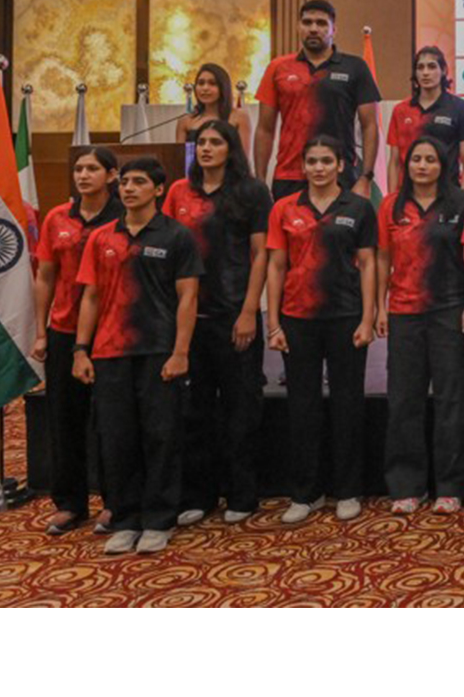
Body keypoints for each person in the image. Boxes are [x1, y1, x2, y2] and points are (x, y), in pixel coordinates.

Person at [70, 156, 202, 555]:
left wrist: (181, 352)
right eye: (125, 182)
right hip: (110, 352)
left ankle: (159, 519)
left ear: (159, 189)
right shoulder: (102, 238)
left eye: (139, 182)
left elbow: (188, 297)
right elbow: (90, 296)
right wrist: (80, 349)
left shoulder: (177, 236)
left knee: (161, 436)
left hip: (159, 351)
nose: (128, 188)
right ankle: (125, 518)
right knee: (116, 439)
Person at [162, 120, 272, 527]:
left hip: (234, 315)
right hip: (190, 320)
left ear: (231, 149)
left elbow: (261, 255)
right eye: (200, 142)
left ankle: (243, 494)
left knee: (242, 410)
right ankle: (199, 495)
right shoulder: (179, 192)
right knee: (195, 412)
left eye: (215, 142)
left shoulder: (252, 192)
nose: (206, 149)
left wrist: (249, 311)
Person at [265, 135, 378, 525]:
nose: (318, 167)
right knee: (303, 408)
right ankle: (305, 493)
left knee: (348, 406)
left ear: (340, 165)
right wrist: (273, 321)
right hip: (297, 319)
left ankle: (348, 490)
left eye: (326, 161)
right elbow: (276, 265)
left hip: (346, 317)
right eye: (311, 161)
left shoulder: (360, 208)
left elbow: (368, 264)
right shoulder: (283, 208)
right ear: (303, 166)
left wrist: (368, 317)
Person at [377, 136, 464, 515]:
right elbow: (383, 259)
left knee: (452, 400)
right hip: (404, 312)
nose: (422, 166)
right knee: (404, 401)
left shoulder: (461, 204)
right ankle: (407, 485)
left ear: (443, 165)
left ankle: (451, 486)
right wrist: (379, 309)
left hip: (450, 311)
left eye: (430, 160)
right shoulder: (391, 205)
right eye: (415, 159)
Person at [31, 147, 123, 535]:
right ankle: (70, 503)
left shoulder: (124, 217)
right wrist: (41, 331)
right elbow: (45, 277)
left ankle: (115, 502)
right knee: (64, 421)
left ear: (112, 176)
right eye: (79, 169)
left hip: (113, 334)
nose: (83, 176)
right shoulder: (56, 218)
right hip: (65, 331)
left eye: (92, 169)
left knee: (112, 423)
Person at [253, 0, 381, 199]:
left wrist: (366, 178)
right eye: (307, 22)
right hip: (290, 176)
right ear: (299, 27)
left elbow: (370, 125)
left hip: (340, 175)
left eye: (321, 23)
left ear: (333, 29)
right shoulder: (277, 68)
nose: (313, 29)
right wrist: (260, 182)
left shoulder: (355, 67)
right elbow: (264, 128)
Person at [386, 45, 464, 193]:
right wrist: (390, 200)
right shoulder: (400, 110)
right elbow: (394, 162)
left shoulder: (461, 108)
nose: (425, 73)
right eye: (420, 68)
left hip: (448, 194)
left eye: (431, 67)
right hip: (408, 195)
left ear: (443, 70)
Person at [174, 62, 249, 156]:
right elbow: (179, 160)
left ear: (223, 87)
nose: (205, 88)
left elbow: (243, 158)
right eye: (201, 83)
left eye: (212, 83)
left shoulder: (239, 116)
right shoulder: (185, 121)